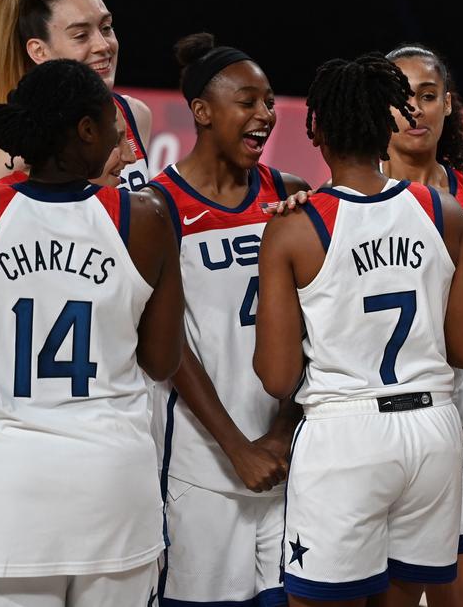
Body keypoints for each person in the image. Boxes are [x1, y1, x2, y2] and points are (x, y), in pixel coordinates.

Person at [252, 53, 463, 607]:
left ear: (315, 129)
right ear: (389, 125)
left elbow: (278, 377)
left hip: (347, 433)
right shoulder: (443, 210)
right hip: (434, 432)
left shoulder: (295, 226)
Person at [0, 59, 183, 605]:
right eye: (111, 123)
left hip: (4, 491)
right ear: (87, 131)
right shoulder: (147, 219)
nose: (122, 135)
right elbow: (162, 361)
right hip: (112, 487)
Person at [147, 33, 309, 607]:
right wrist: (237, 446)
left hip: (286, 457)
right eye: (248, 101)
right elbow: (166, 345)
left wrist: (283, 431)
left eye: (268, 101)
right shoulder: (157, 206)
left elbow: (315, 327)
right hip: (201, 464)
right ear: (202, 111)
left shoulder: (289, 194)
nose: (266, 114)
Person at [384, 44, 463, 607]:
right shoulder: (342, 196)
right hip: (375, 433)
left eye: (428, 96)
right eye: (401, 98)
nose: (415, 110)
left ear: (448, 104)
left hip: (461, 426)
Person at [0, 0, 152, 191]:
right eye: (81, 35)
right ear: (39, 51)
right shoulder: (14, 156)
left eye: (106, 28)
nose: (103, 46)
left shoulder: (136, 115)